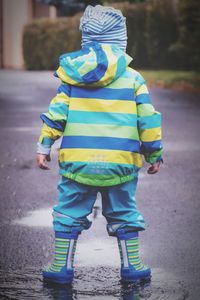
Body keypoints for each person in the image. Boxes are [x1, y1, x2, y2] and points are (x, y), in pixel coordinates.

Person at [36, 5, 163, 284]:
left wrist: (45, 145)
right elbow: (148, 120)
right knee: (123, 212)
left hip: (77, 163)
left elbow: (57, 113)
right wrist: (154, 153)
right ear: (121, 40)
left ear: (86, 40)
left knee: (68, 212)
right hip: (121, 163)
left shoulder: (71, 76)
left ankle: (61, 268)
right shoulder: (133, 78)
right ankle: (132, 267)